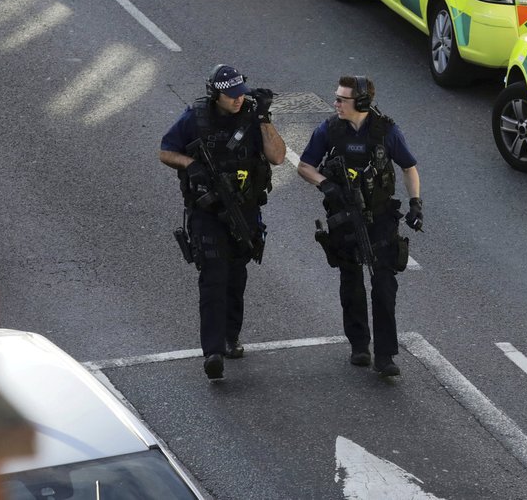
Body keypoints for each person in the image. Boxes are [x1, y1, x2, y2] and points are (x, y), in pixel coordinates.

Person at [159, 64, 286, 380]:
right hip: (208, 212)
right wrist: (192, 165)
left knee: (236, 276)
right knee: (214, 276)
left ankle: (231, 337)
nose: (238, 100)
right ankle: (213, 351)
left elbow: (278, 157)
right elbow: (166, 151)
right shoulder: (197, 118)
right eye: (231, 96)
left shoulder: (252, 117)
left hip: (245, 210)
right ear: (215, 94)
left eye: (240, 94)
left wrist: (264, 119)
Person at [297, 76, 422, 377]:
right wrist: (326, 185)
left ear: (362, 103)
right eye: (337, 98)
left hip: (379, 216)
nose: (336, 103)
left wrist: (416, 203)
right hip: (344, 217)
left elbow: (409, 167)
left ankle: (385, 354)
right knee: (350, 280)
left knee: (383, 284)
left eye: (342, 99)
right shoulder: (329, 129)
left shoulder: (386, 131)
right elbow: (304, 166)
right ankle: (359, 346)